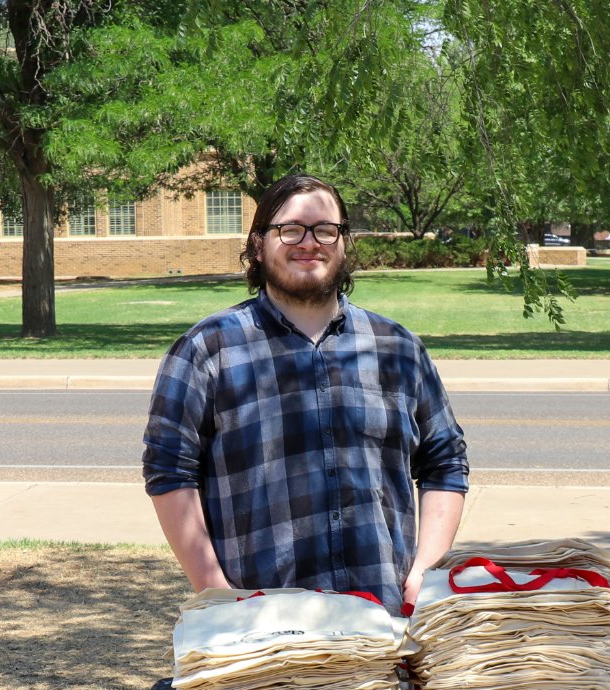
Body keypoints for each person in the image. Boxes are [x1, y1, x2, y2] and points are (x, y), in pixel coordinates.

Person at [142, 172, 468, 615]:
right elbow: (169, 473)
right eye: (290, 229)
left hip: (383, 618)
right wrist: (217, 593)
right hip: (261, 623)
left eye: (325, 230)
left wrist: (425, 571)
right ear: (258, 245)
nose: (309, 242)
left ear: (344, 242)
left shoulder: (398, 349)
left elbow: (445, 461)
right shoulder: (207, 350)